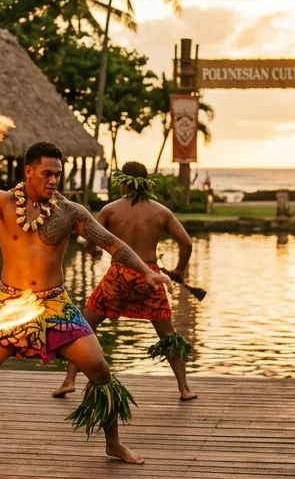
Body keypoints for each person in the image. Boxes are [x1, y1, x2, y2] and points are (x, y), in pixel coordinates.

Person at [0, 141, 172, 468]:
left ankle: (114, 444)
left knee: (100, 370)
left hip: (55, 306)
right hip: (10, 306)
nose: (54, 180)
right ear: (28, 172)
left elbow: (112, 243)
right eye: (47, 173)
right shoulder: (3, 201)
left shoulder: (69, 212)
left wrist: (145, 272)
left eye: (58, 174)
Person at [53, 161, 197, 401]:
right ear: (145, 182)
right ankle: (184, 388)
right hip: (149, 276)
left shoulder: (110, 210)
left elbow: (91, 240)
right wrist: (180, 270)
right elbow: (187, 243)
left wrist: (94, 251)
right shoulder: (161, 212)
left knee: (84, 326)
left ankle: (69, 381)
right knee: (168, 335)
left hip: (119, 275)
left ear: (123, 182)